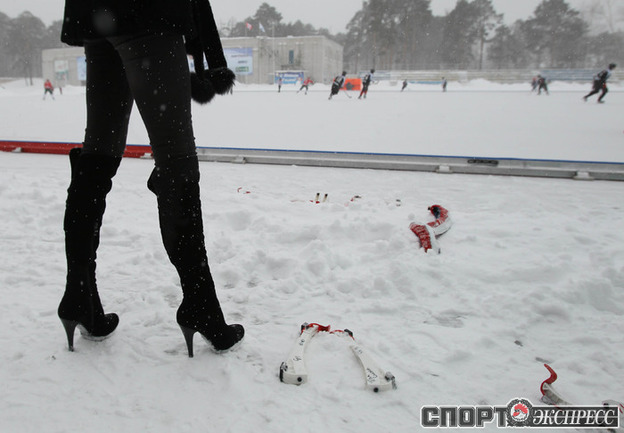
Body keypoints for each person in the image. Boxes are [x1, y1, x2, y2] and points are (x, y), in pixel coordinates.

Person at [57, 0, 244, 356]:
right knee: (176, 162)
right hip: (149, 13)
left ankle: (79, 295)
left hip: (96, 12)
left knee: (97, 154)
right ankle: (201, 306)